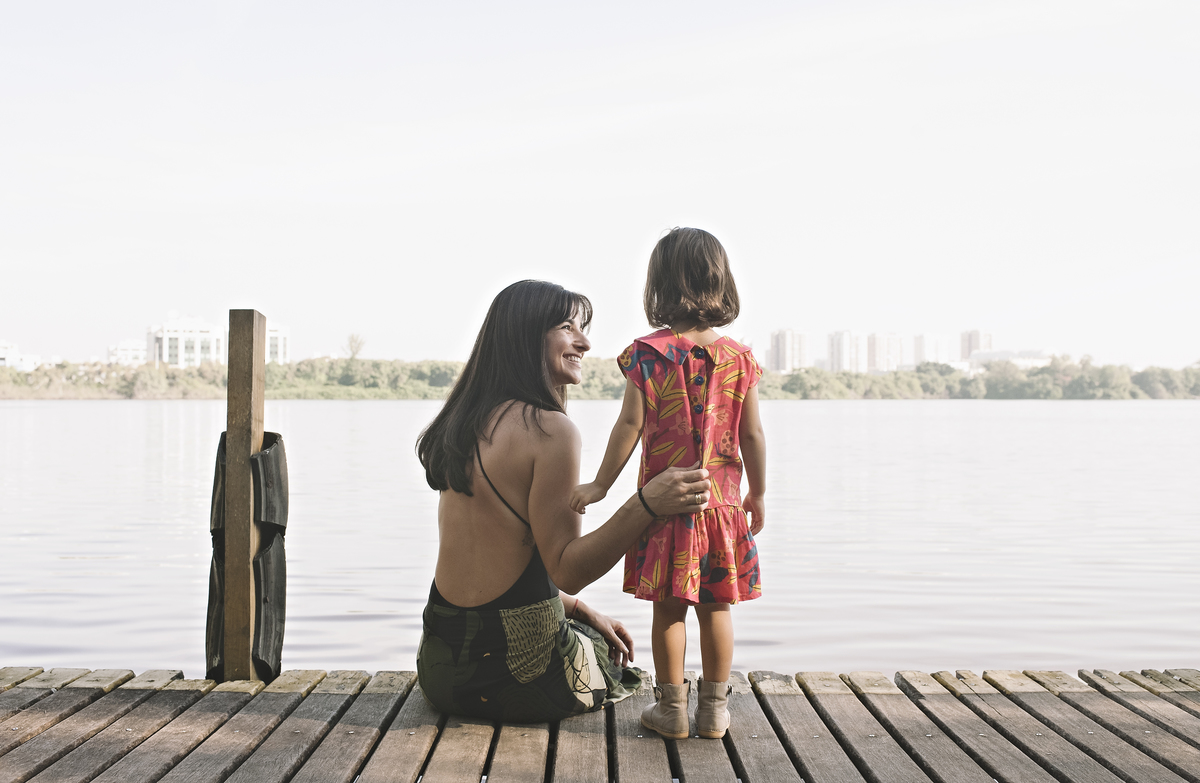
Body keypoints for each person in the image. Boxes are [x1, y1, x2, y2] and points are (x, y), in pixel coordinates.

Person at [415, 279, 712, 723]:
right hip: (517, 681)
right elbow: (568, 571)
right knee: (611, 663)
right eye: (567, 327)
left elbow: (495, 560)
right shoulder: (549, 429)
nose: (585, 342)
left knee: (584, 628)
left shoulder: (463, 422)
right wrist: (646, 503)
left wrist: (579, 610)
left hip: (441, 673)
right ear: (526, 336)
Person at [569, 227, 766, 740]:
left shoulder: (647, 354)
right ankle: (715, 712)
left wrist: (599, 486)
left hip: (665, 508)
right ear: (720, 282)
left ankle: (672, 710)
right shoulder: (739, 358)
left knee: (669, 612)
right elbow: (752, 433)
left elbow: (629, 428)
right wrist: (758, 494)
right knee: (718, 608)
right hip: (720, 507)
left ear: (659, 286)